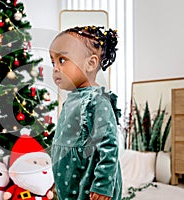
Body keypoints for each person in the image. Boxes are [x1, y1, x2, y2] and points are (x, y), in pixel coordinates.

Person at [49, 25, 122, 200]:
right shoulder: (71, 99)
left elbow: (109, 145)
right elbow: (62, 141)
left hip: (89, 181)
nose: (56, 68)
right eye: (53, 62)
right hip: (69, 178)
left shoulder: (97, 100)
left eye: (63, 60)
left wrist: (103, 184)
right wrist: (56, 178)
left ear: (90, 63)